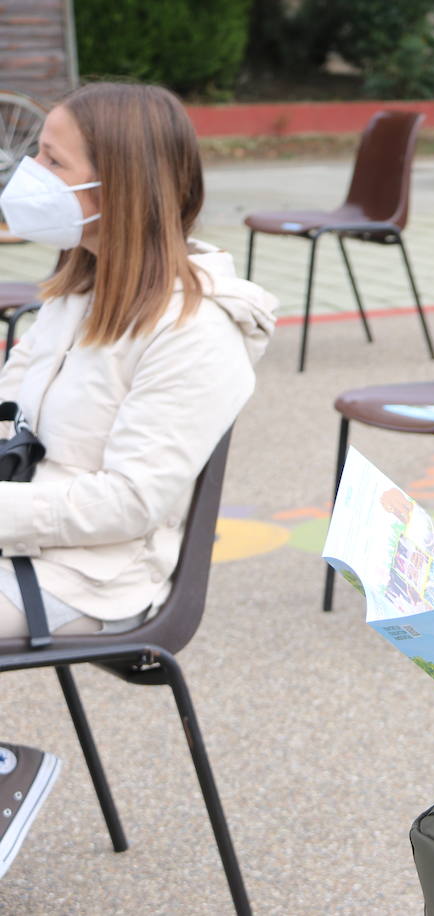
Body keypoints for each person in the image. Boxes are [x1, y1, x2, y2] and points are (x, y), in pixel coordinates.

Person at [0, 82, 277, 878]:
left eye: (52, 160)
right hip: (34, 544)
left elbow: (132, 503)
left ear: (115, 185)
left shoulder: (194, 331)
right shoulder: (77, 292)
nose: (29, 173)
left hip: (100, 576)